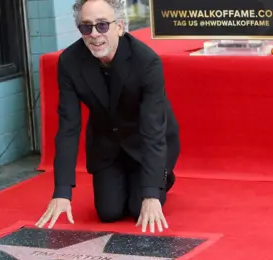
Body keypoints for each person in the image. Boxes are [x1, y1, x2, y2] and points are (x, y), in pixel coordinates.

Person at [35, 0, 180, 233]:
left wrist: (152, 192)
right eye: (86, 27)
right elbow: (68, 127)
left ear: (120, 27)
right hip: (106, 144)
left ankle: (164, 177)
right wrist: (62, 192)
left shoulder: (146, 62)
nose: (94, 34)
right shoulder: (70, 62)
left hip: (145, 143)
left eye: (102, 25)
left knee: (138, 208)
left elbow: (153, 130)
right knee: (109, 213)